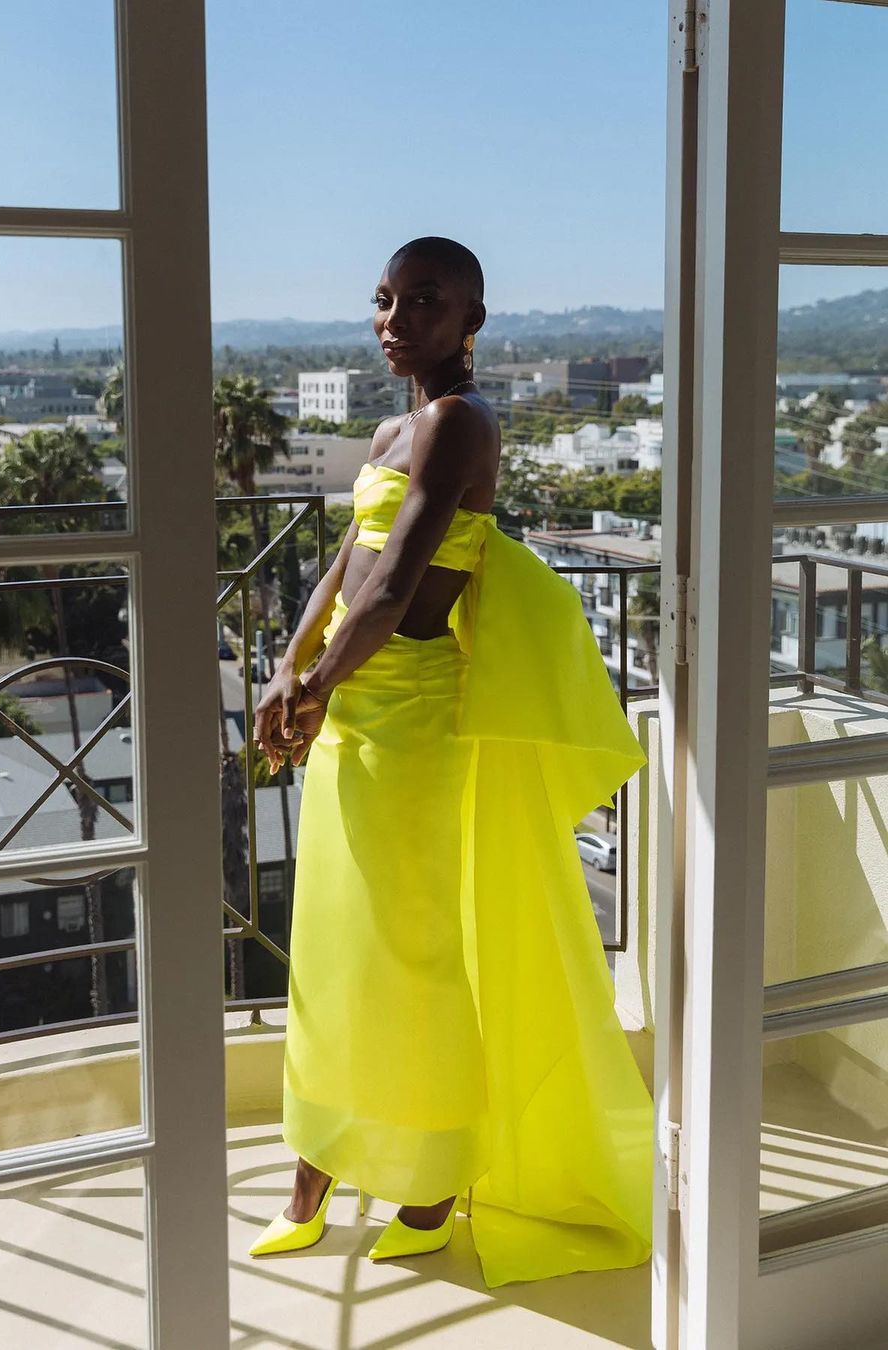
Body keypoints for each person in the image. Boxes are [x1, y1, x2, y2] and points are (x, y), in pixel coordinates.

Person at [249, 237, 653, 1287]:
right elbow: (343, 569)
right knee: (334, 956)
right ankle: (317, 1169)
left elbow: (394, 588)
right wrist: (287, 669)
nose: (395, 320)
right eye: (385, 299)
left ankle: (429, 1188)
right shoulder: (395, 427)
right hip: (351, 717)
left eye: (423, 301)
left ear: (472, 319)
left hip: (417, 721)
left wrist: (310, 687)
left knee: (415, 961)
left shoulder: (462, 423)